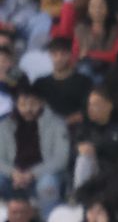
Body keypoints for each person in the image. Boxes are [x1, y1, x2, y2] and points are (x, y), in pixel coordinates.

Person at [0, 83, 70, 211]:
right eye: (23, 105)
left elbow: (61, 158)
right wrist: (13, 173)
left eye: (32, 104)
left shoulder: (56, 123)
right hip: (13, 176)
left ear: (41, 103)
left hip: (43, 174)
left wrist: (32, 174)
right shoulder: (5, 125)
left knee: (47, 184)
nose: (28, 109)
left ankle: (48, 221)